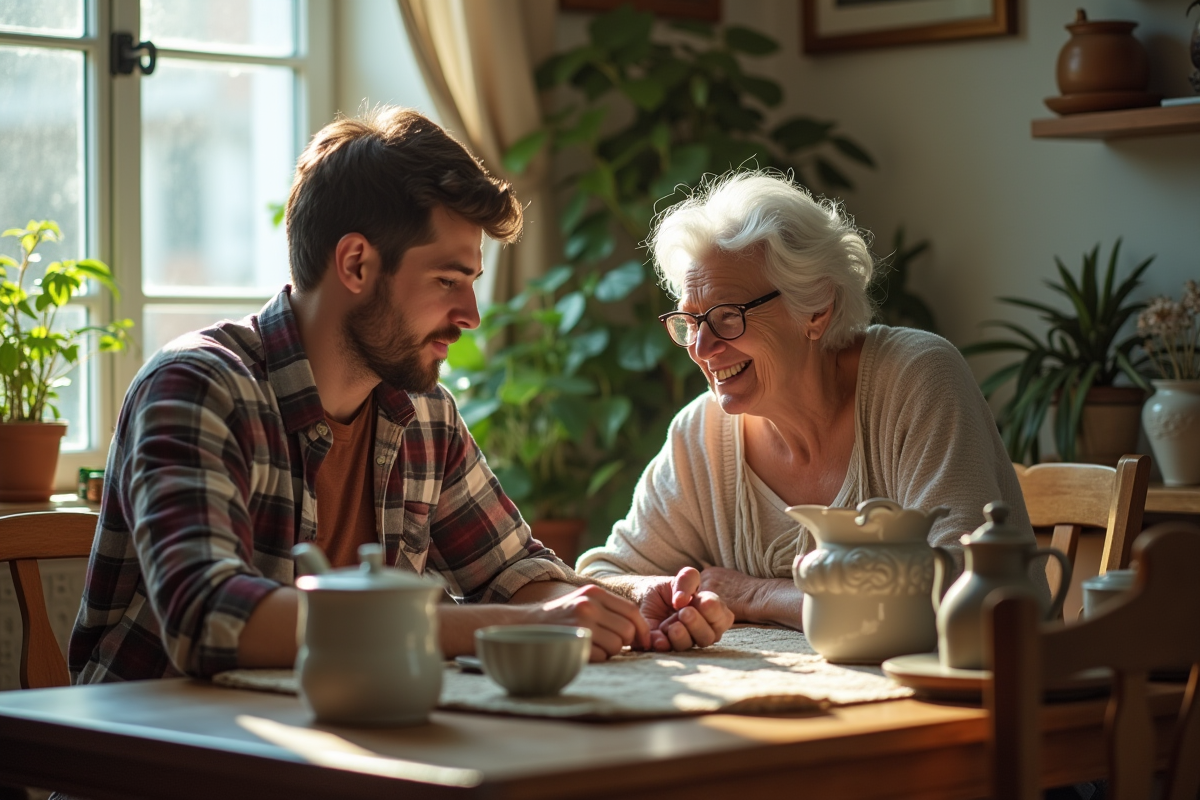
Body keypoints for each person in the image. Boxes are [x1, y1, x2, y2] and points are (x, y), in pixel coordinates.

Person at [68, 107, 732, 684]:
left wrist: (621, 602)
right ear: (356, 264)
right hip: (159, 769)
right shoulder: (198, 386)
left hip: (328, 756)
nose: (471, 314)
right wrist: (479, 627)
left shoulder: (422, 412)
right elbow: (209, 618)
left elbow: (515, 574)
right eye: (449, 279)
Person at [578, 170, 1047, 626]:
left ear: (816, 309)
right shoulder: (699, 439)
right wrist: (659, 594)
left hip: (990, 692)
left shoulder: (914, 379)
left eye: (726, 316)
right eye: (690, 321)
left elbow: (960, 592)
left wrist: (757, 594)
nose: (702, 348)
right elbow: (601, 579)